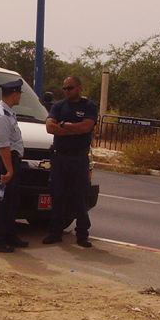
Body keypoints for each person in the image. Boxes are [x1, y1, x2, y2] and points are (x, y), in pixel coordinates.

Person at [43, 76, 98, 248]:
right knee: (57, 195)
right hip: (60, 157)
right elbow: (49, 127)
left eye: (70, 88)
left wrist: (64, 126)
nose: (67, 91)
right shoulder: (58, 106)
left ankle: (82, 234)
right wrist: (73, 129)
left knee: (79, 196)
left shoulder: (89, 106)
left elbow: (86, 127)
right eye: (65, 88)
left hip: (79, 158)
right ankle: (55, 232)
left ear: (79, 88)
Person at [0, 79, 28, 253]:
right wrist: (9, 170)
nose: (20, 97)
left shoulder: (7, 111)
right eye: (19, 94)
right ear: (14, 94)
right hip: (6, 162)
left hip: (8, 160)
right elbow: (4, 146)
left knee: (11, 202)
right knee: (1, 203)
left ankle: (9, 235)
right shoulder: (2, 115)